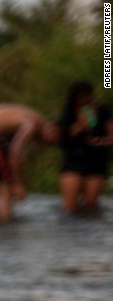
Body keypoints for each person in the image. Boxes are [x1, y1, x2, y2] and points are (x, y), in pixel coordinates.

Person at [0, 104, 59, 221]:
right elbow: (15, 152)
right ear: (51, 128)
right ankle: (6, 230)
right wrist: (18, 183)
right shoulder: (32, 123)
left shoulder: (24, 114)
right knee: (5, 188)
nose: (48, 145)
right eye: (52, 141)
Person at [58, 81, 113, 215]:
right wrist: (80, 126)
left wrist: (102, 141)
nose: (84, 100)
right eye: (81, 97)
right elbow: (62, 138)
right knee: (69, 208)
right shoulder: (68, 113)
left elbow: (111, 136)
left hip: (96, 161)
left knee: (91, 207)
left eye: (87, 96)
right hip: (73, 161)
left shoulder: (103, 111)